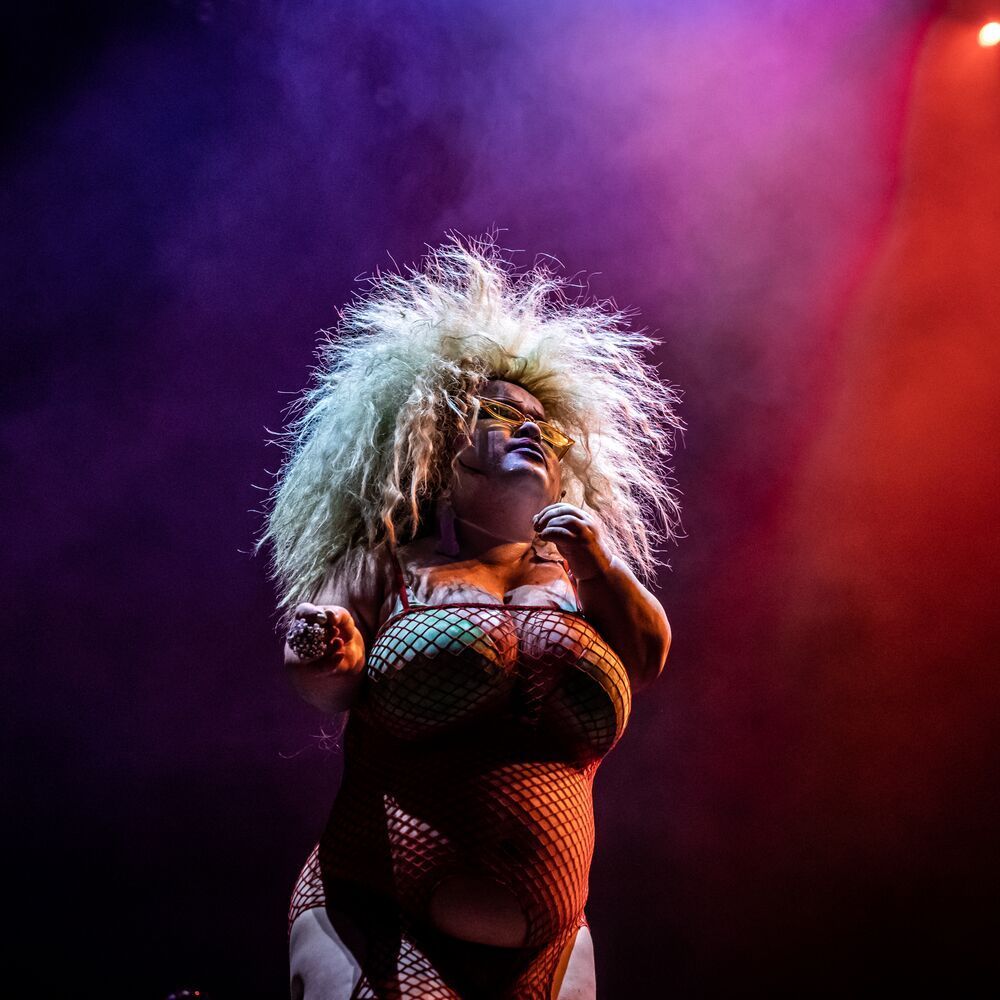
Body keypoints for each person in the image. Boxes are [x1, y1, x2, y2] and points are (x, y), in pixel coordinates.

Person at [260, 236, 682, 999]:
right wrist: (329, 653)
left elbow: (648, 658)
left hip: (548, 948)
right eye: (499, 414)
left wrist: (597, 561)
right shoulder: (394, 559)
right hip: (381, 924)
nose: (530, 430)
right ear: (439, 444)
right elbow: (323, 678)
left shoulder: (586, 578)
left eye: (546, 429)